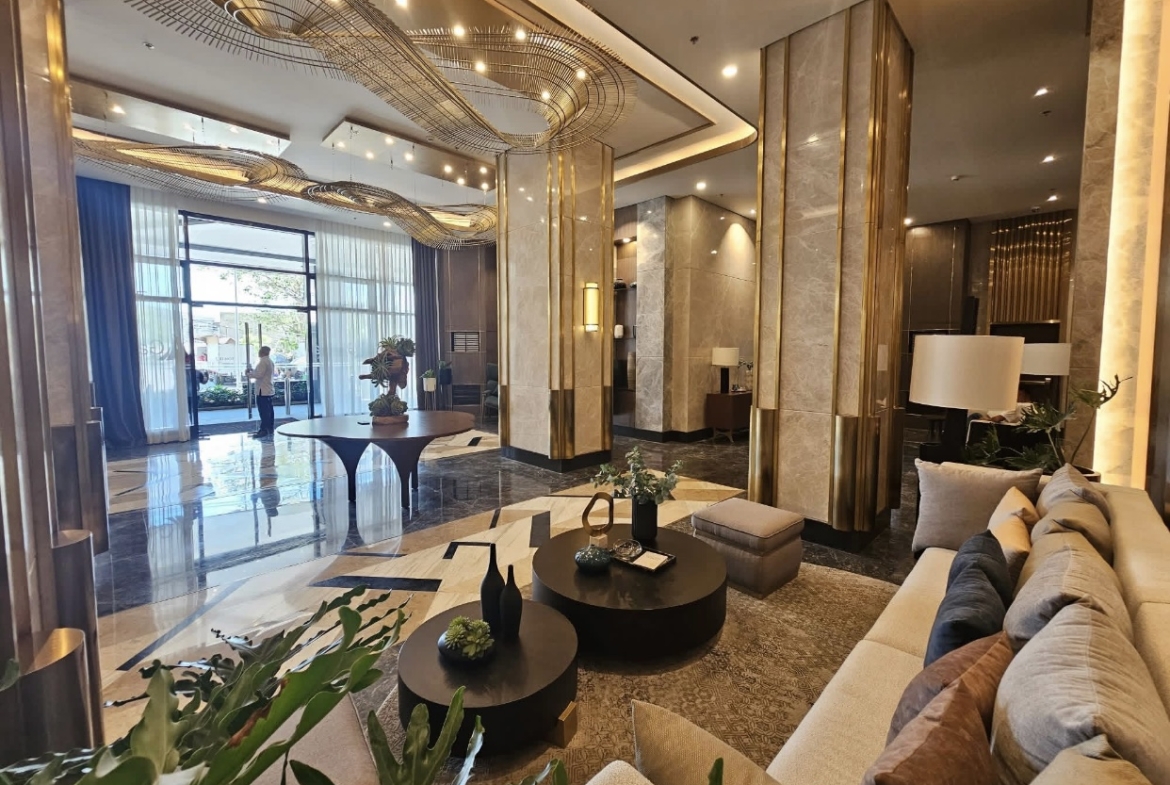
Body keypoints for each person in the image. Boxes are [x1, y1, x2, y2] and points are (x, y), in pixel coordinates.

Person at [248, 346, 275, 438]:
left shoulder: (263, 361)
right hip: (268, 389)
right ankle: (270, 428)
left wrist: (249, 374)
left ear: (262, 352)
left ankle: (264, 430)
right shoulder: (270, 361)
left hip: (262, 390)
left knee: (264, 411)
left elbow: (259, 374)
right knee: (269, 410)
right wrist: (253, 372)